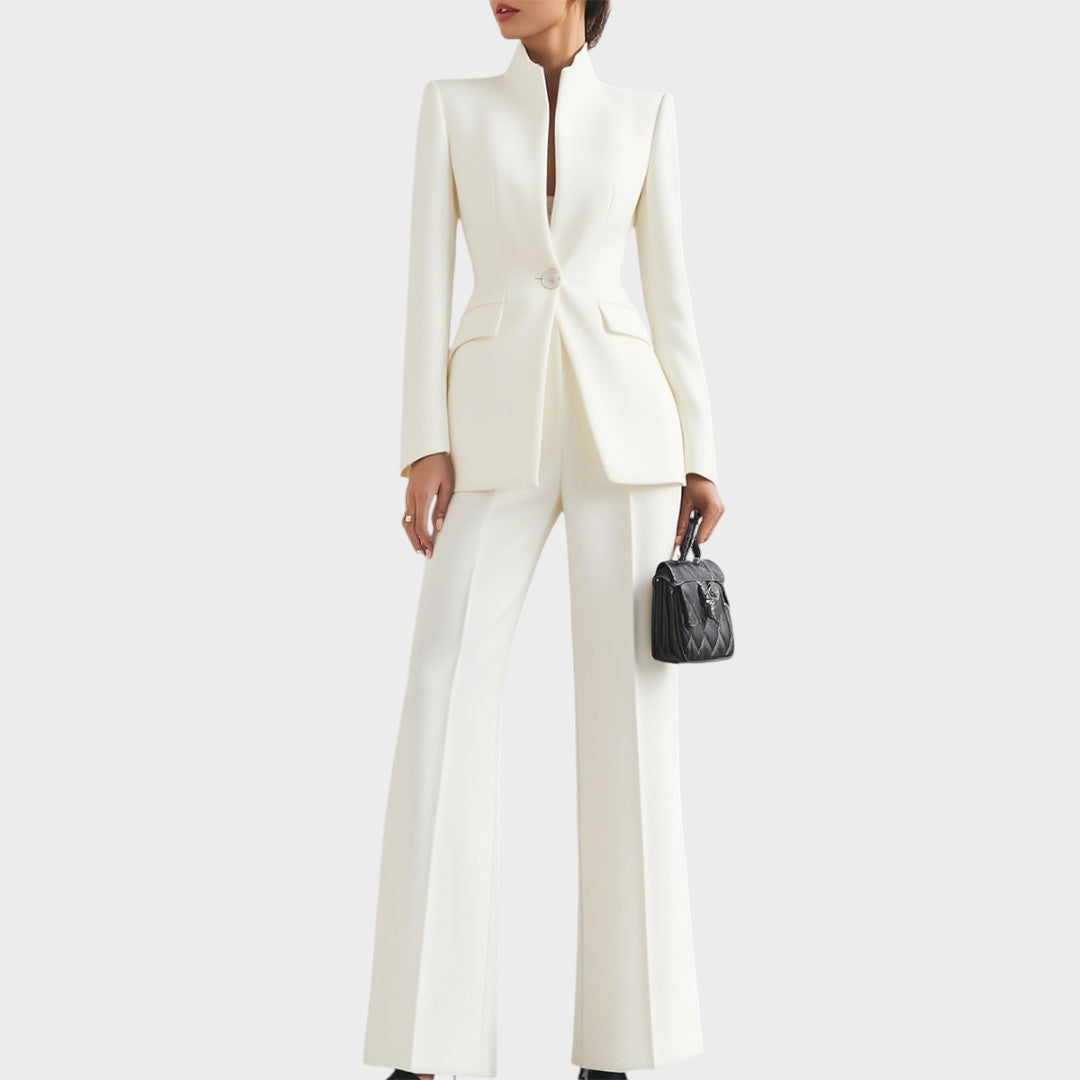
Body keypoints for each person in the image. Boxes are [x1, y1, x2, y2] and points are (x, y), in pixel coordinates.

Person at [363, 3, 725, 1078]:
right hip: (489, 428)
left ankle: (623, 1043)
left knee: (631, 724)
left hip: (629, 428)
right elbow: (425, 281)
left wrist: (702, 451)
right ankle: (428, 1043)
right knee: (443, 691)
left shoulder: (647, 117)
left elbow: (671, 294)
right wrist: (423, 439)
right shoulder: (453, 109)